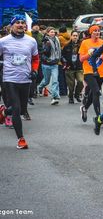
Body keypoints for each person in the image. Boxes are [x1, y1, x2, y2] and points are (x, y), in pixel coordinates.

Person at [0, 14, 39, 149]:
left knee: (22, 110)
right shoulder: (3, 41)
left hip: (26, 79)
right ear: (12, 25)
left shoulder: (31, 41)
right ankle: (21, 139)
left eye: (23, 23)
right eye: (18, 23)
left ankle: (4, 112)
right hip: (9, 79)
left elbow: (35, 58)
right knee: (16, 109)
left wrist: (34, 70)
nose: (21, 25)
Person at [79, 25, 103, 124]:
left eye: (98, 31)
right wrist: (89, 54)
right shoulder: (85, 43)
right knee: (96, 91)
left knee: (93, 93)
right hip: (89, 71)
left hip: (101, 72)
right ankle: (99, 117)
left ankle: (85, 108)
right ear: (90, 32)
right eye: (95, 31)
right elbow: (81, 59)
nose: (97, 32)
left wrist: (101, 56)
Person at [38, 27, 61, 105]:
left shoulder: (57, 40)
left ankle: (55, 97)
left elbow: (58, 51)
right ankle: (39, 87)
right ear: (47, 33)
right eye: (51, 32)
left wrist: (60, 59)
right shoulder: (45, 41)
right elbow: (42, 53)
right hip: (46, 64)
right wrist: (47, 59)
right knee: (46, 81)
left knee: (55, 81)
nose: (53, 33)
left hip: (55, 63)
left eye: (54, 32)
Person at [62, 30, 83, 104]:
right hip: (69, 67)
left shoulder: (81, 45)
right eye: (73, 35)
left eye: (76, 36)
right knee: (71, 85)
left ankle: (77, 95)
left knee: (80, 82)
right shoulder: (66, 45)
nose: (75, 37)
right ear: (71, 36)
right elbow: (62, 56)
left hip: (79, 67)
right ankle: (71, 97)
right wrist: (65, 64)